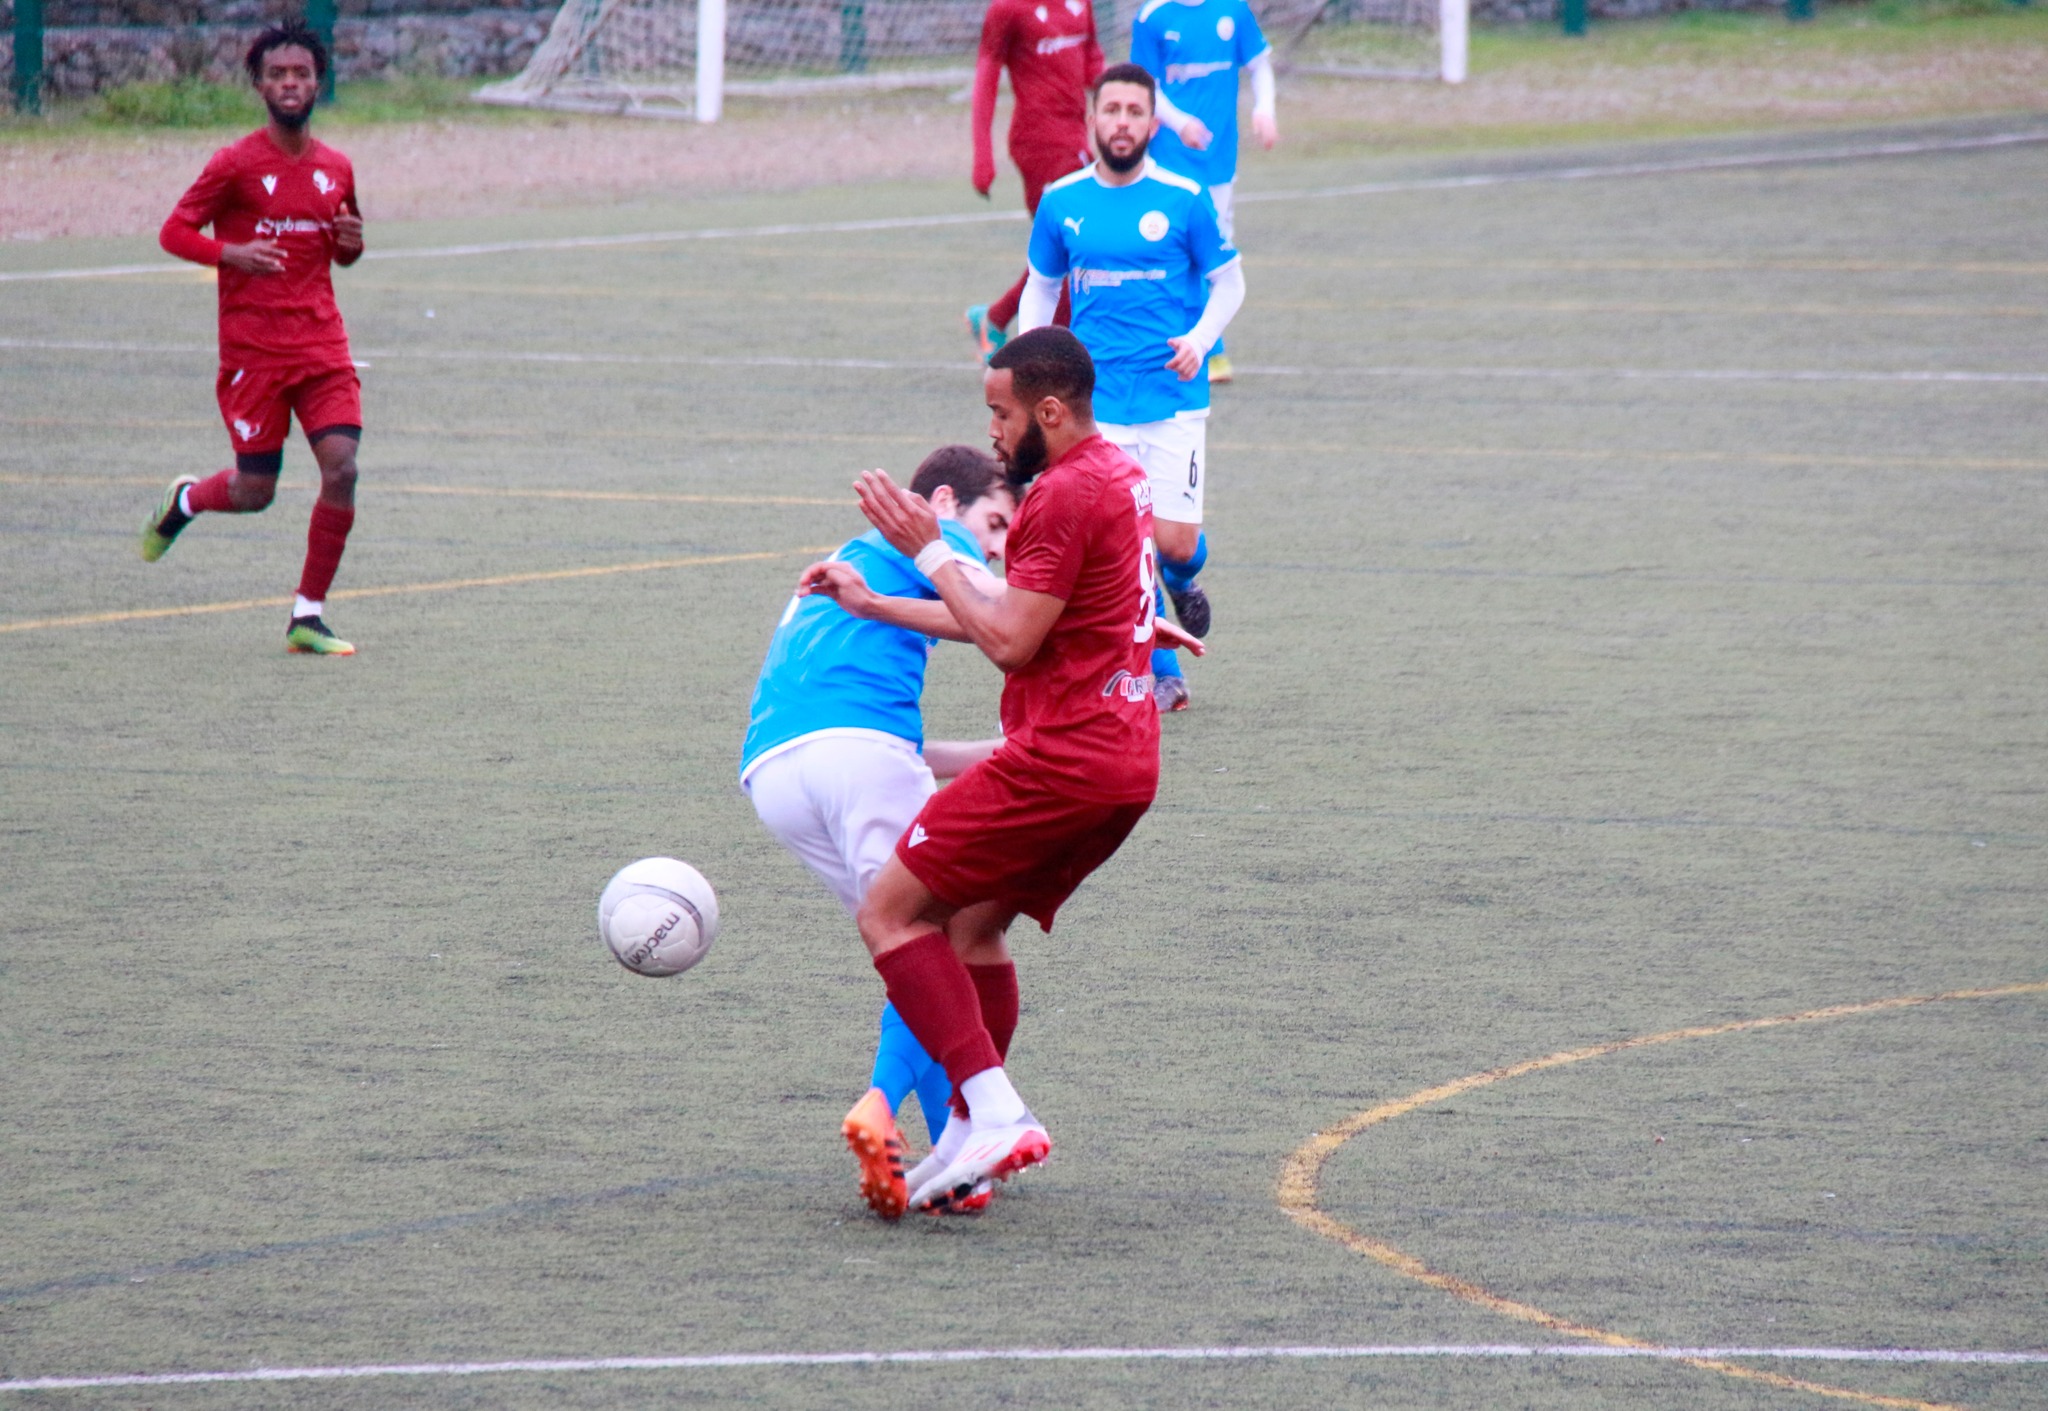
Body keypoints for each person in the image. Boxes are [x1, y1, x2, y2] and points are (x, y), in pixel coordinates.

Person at [799, 327, 1203, 1217]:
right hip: (1125, 764)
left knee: (892, 912)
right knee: (973, 929)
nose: (992, 430)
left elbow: (1011, 641)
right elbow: (1020, 611)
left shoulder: (1058, 495)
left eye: (1002, 412)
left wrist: (928, 548)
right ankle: (962, 1143)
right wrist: (880, 602)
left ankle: (993, 1108)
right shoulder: (1118, 474)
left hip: (1060, 760)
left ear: (1048, 412)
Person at [740, 447, 1017, 1220]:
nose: (991, 545)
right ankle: (885, 1103)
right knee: (938, 933)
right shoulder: (932, 539)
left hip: (776, 772)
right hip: (859, 756)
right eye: (993, 522)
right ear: (942, 500)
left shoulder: (847, 562)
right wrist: (1105, 620)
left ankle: (957, 1156)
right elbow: (1006, 608)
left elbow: (853, 732)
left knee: (914, 946)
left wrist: (994, 755)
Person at [1016, 63, 1244, 713]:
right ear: (1092, 120)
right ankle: (1161, 667)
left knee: (1172, 543)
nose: (1122, 123)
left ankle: (1182, 580)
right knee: (1122, 538)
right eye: (1110, 110)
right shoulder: (1062, 202)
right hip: (1098, 403)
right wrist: (1038, 365)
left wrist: (1200, 340)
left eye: (1134, 112)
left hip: (1173, 397)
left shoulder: (1184, 197)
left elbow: (1230, 283)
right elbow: (1039, 286)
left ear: (1151, 123)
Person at [141, 19, 365, 656]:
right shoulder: (234, 164)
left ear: (319, 81)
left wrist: (352, 248)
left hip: (322, 349)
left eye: (300, 74)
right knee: (253, 492)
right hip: (253, 358)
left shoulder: (337, 168)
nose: (290, 85)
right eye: (277, 75)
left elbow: (344, 247)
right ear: (259, 85)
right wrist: (229, 253)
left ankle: (308, 615)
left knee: (343, 470)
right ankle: (185, 500)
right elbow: (174, 232)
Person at [1129, 0, 1277, 385]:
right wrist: (1179, 124)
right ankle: (1209, 351)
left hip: (1219, 160)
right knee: (1177, 251)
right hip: (1172, 157)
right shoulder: (1152, 16)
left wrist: (1265, 109)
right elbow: (1147, 88)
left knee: (1215, 251)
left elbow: (1259, 65)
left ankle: (1200, 346)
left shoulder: (1232, 10)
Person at [961, 0, 1105, 361]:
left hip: (1078, 141)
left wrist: (1134, 99)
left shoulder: (1080, 4)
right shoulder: (1008, 9)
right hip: (1038, 144)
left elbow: (1092, 65)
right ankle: (1055, 360)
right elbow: (987, 75)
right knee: (1074, 250)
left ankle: (995, 319)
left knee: (1067, 253)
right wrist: (982, 154)